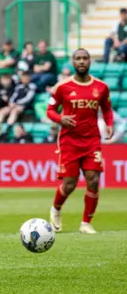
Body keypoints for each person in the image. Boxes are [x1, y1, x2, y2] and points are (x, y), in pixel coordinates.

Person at [46, 48, 113, 235]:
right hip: (69, 141)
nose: (82, 61)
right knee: (69, 184)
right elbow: (49, 110)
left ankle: (85, 223)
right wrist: (60, 119)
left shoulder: (101, 87)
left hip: (92, 140)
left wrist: (109, 124)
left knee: (94, 180)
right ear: (72, 62)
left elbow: (107, 109)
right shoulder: (62, 87)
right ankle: (56, 209)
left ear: (90, 62)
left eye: (85, 58)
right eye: (78, 59)